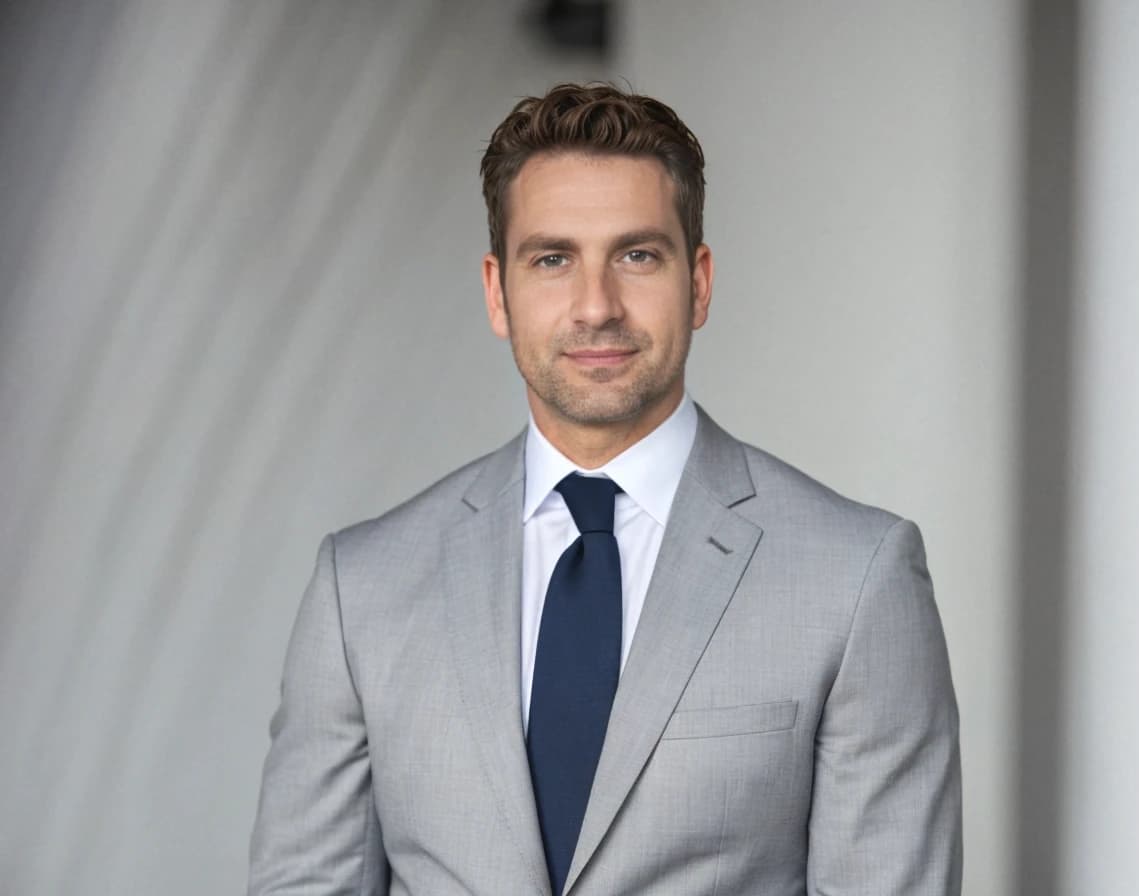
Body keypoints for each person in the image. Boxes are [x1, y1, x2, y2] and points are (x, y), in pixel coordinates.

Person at [247, 82, 962, 895]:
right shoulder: (361, 587)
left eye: (637, 255)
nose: (597, 306)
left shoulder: (856, 577)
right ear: (496, 292)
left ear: (698, 283)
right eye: (552, 259)